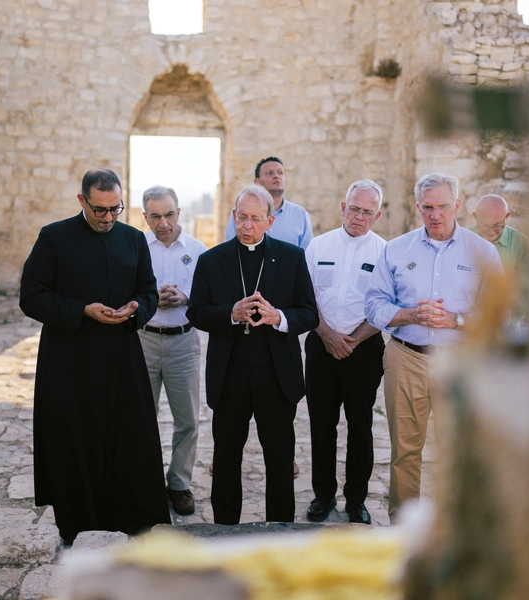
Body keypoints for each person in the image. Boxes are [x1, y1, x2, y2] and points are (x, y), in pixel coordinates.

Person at [19, 169, 170, 544]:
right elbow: (31, 297)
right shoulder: (54, 237)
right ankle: (78, 525)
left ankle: (132, 522)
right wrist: (81, 310)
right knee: (74, 437)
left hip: (121, 355)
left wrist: (137, 307)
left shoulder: (135, 239)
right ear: (82, 201)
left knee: (130, 437)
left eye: (114, 210)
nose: (107, 218)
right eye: (100, 210)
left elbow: (148, 291)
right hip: (69, 359)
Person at [364, 173, 502, 522]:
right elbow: (374, 305)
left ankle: (451, 530)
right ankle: (404, 527)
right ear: (418, 207)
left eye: (442, 206)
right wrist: (409, 314)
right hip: (406, 357)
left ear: (457, 205)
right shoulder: (396, 250)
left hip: (460, 363)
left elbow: (500, 315)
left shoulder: (483, 252)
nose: (435, 214)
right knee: (405, 451)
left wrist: (456, 321)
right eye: (427, 207)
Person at [188, 184, 318, 524]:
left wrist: (279, 317)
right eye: (242, 217)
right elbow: (196, 312)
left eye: (256, 219)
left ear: (270, 222)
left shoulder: (292, 258)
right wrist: (230, 313)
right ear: (233, 217)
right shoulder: (211, 260)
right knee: (226, 455)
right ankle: (225, 527)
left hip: (276, 375)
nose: (248, 226)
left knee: (279, 457)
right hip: (230, 373)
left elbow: (309, 313)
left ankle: (280, 527)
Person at [304, 180, 387, 525]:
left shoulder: (385, 253)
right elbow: (305, 298)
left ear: (377, 215)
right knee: (322, 426)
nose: (359, 216)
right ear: (343, 207)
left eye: (367, 211)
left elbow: (386, 307)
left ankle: (356, 500)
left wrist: (352, 339)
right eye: (354, 208)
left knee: (361, 426)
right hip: (322, 346)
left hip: (364, 350)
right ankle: (323, 496)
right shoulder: (317, 246)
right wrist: (328, 336)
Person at [139, 186, 207, 516]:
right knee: (141, 416)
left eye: (168, 214)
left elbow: (208, 296)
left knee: (187, 419)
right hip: (144, 341)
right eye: (155, 216)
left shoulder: (197, 250)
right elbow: (127, 290)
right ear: (145, 217)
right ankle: (145, 482)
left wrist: (186, 298)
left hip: (183, 342)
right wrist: (153, 298)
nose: (163, 223)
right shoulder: (137, 248)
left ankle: (179, 484)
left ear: (179, 213)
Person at [470, 194, 529, 328]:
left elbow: (525, 291)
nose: (491, 232)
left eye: (498, 226)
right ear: (475, 217)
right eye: (485, 225)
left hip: (504, 327)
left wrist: (508, 321)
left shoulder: (520, 243)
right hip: (466, 327)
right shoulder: (462, 239)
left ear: (507, 217)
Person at [224, 157, 313, 249]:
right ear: (257, 182)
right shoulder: (240, 213)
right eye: (269, 173)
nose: (276, 176)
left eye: (280, 173)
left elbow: (307, 255)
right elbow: (230, 249)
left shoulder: (300, 214)